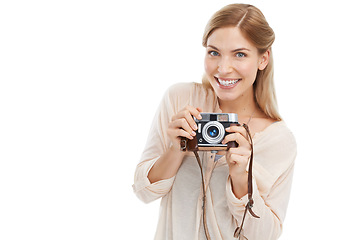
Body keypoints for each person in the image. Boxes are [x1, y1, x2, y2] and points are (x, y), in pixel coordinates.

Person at [133, 3, 296, 240]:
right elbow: (143, 192)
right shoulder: (181, 99)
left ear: (263, 59)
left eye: (240, 54)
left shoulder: (279, 139)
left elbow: (266, 235)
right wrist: (176, 148)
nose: (223, 68)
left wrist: (241, 177)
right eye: (214, 52)